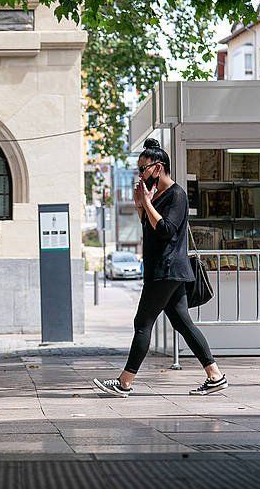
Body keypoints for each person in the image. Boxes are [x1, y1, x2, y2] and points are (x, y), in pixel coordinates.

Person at [93, 138, 227, 398]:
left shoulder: (177, 194)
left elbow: (166, 230)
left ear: (158, 167)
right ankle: (215, 375)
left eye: (143, 168)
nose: (140, 174)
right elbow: (150, 230)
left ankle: (124, 382)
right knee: (183, 324)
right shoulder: (159, 195)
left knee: (142, 323)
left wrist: (148, 203)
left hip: (167, 270)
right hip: (163, 269)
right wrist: (141, 206)